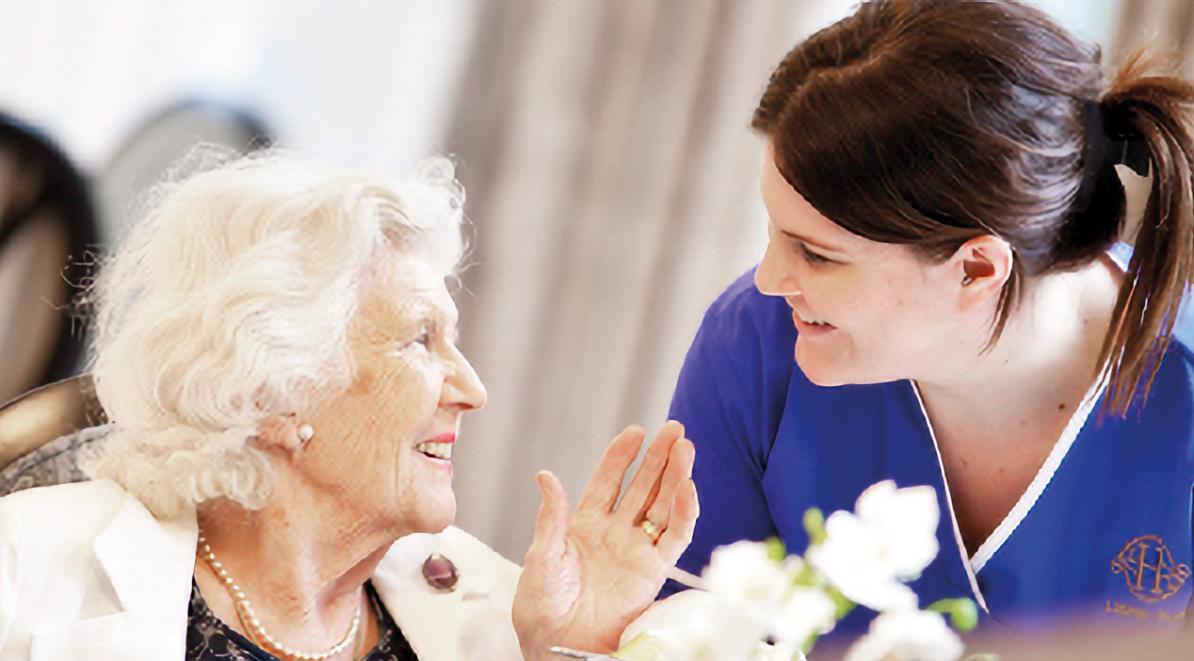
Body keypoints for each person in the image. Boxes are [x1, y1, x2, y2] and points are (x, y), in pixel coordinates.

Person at [0, 153, 698, 660]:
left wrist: (572, 650)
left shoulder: (501, 615)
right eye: (421, 339)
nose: (472, 388)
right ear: (272, 392)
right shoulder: (23, 566)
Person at [660, 0, 1194, 643]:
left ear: (976, 269)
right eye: (776, 233)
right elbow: (681, 636)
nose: (772, 279)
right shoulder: (756, 343)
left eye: (817, 255)